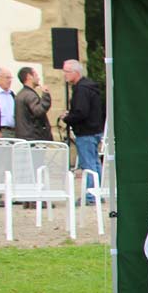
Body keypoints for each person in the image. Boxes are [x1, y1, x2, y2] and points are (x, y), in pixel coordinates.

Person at [60, 60, 106, 204]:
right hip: (95, 129)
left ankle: (91, 195)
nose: (65, 75)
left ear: (76, 72)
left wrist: (67, 118)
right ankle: (97, 193)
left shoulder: (81, 89)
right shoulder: (90, 87)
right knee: (95, 163)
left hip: (86, 131)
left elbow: (81, 112)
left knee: (89, 165)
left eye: (67, 71)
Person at [14, 66, 53, 141]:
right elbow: (38, 111)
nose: (38, 78)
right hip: (33, 138)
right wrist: (46, 95)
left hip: (24, 137)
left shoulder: (20, 94)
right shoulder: (29, 95)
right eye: (36, 75)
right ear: (29, 76)